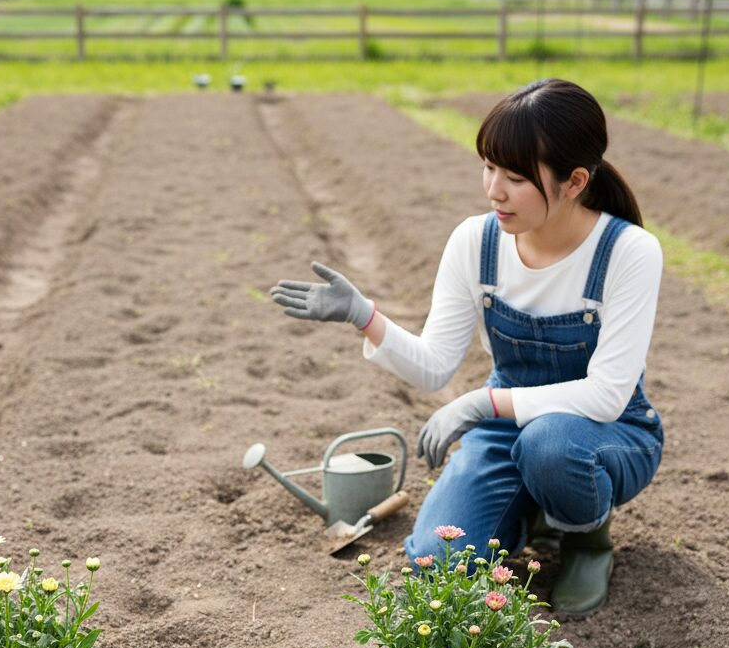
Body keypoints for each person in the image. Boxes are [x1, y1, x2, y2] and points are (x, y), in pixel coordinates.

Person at [269, 78, 664, 616]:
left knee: (550, 444)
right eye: (489, 168)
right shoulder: (476, 243)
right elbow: (435, 365)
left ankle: (586, 540)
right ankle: (532, 507)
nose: (494, 190)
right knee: (438, 561)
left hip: (607, 434)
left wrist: (483, 403)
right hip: (508, 431)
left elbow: (607, 396)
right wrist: (364, 316)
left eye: (517, 177)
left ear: (574, 181)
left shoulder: (628, 253)